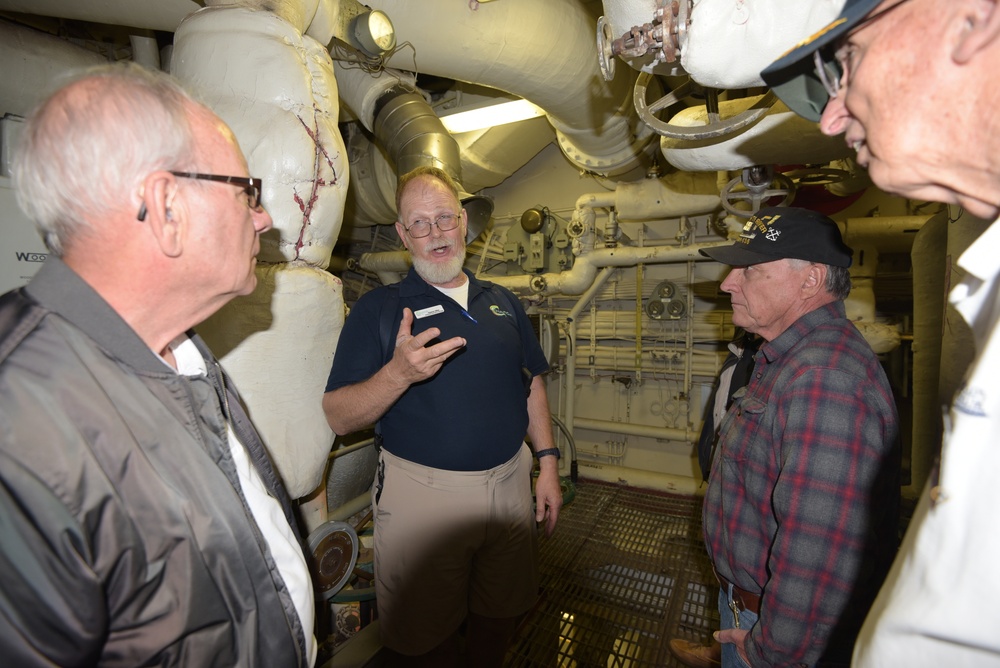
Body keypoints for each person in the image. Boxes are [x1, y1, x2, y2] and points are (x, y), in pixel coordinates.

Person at [0, 63, 316, 667]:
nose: (263, 217)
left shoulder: (181, 352)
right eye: (245, 191)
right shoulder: (20, 430)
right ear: (166, 207)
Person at [760, 0, 1000, 665]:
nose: (831, 117)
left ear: (975, 18)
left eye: (850, 60)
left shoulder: (827, 376)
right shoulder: (987, 288)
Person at [322, 166, 562, 667]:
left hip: (510, 484)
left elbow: (531, 381)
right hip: (424, 497)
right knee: (423, 638)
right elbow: (339, 416)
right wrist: (398, 374)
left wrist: (548, 465)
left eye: (444, 219)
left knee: (501, 615)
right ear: (403, 234)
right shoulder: (381, 310)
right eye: (421, 223)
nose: (436, 234)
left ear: (464, 224)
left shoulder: (503, 302)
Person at [698, 206, 900, 667]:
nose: (728, 283)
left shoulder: (825, 379)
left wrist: (770, 653)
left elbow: (819, 551)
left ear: (810, 281)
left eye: (749, 270)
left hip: (773, 635)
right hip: (749, 609)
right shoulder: (790, 359)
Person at [669, 329, 760, 668]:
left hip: (746, 502)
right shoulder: (741, 352)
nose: (727, 285)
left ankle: (735, 650)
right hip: (725, 486)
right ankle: (722, 646)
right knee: (724, 573)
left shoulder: (776, 364)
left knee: (742, 583)